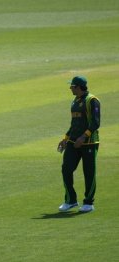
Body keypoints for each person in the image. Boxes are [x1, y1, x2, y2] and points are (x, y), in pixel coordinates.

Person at [58, 76, 100, 213]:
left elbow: (95, 122)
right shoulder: (75, 101)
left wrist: (83, 137)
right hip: (73, 141)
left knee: (89, 173)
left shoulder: (92, 100)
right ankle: (70, 200)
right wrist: (65, 138)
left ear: (79, 87)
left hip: (89, 142)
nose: (70, 88)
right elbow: (74, 124)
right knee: (66, 169)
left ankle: (88, 202)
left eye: (72, 86)